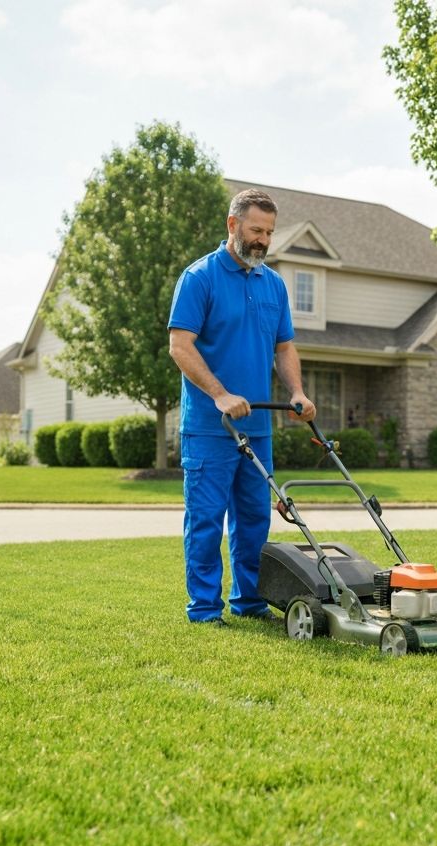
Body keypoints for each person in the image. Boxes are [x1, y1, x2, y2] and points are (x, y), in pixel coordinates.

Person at [168, 188, 316, 626]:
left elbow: (284, 346)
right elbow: (180, 346)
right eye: (256, 230)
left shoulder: (273, 284)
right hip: (209, 427)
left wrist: (297, 392)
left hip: (258, 428)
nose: (263, 240)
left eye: (269, 232)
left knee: (254, 519)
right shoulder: (200, 278)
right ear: (233, 225)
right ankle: (205, 609)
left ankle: (249, 601)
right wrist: (219, 393)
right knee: (208, 521)